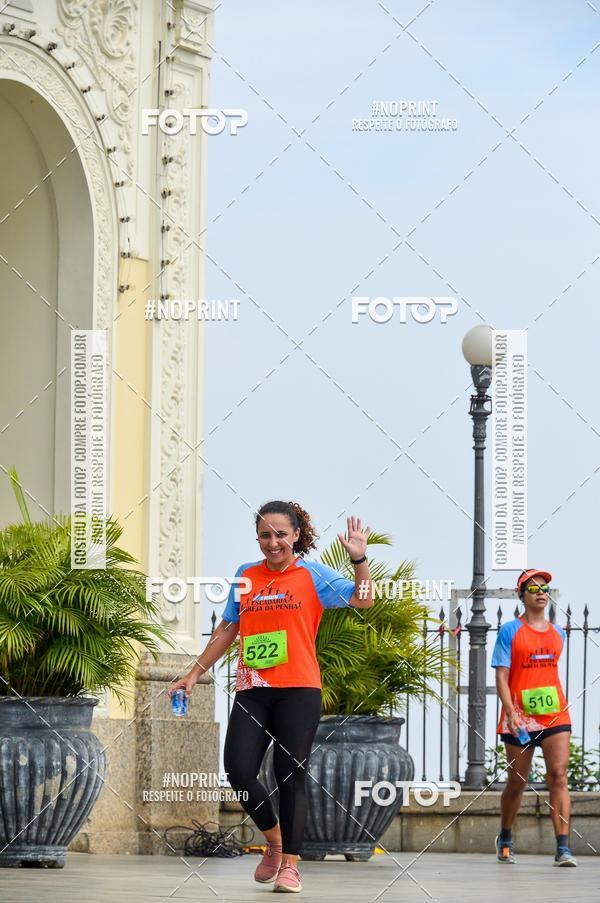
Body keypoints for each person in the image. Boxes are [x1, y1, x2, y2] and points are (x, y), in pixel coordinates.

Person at [168, 501, 374, 893]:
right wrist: (194, 673)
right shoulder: (246, 575)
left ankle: (291, 866)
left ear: (296, 535)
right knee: (239, 771)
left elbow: (363, 599)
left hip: (299, 690)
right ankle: (275, 842)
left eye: (281, 534)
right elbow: (228, 628)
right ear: (257, 538)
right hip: (254, 690)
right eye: (265, 535)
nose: (273, 542)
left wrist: (360, 559)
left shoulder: (312, 574)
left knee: (289, 774)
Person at [491, 568, 576, 867]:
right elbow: (502, 676)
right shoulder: (509, 631)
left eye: (545, 588)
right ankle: (505, 836)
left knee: (558, 775)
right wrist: (511, 712)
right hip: (519, 717)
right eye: (533, 588)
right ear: (522, 595)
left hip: (554, 714)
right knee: (517, 782)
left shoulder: (557, 633)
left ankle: (563, 848)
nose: (541, 592)